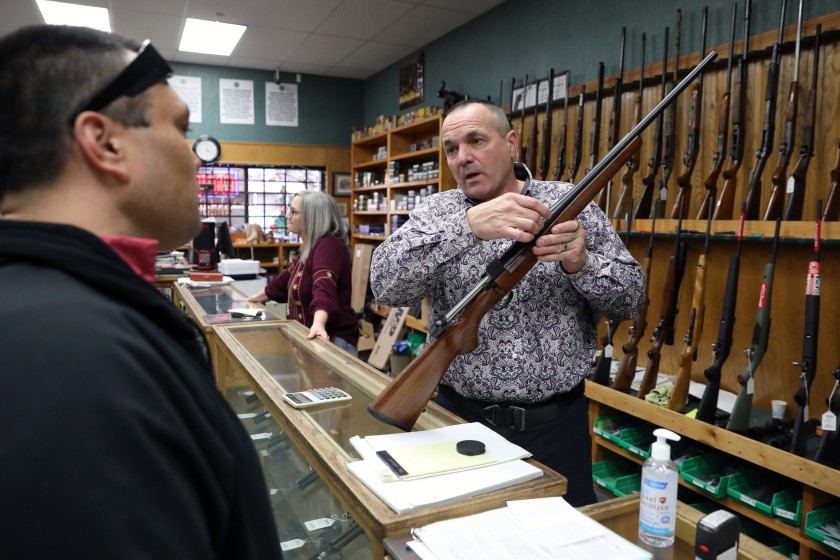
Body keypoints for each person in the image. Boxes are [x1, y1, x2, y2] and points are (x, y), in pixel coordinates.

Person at [0, 25, 282, 558]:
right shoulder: (68, 357)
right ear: (105, 142)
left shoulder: (62, 316)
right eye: (179, 129)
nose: (197, 158)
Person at [370, 99, 645, 507]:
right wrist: (464, 229)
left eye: (476, 141)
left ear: (511, 143)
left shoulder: (568, 203)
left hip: (555, 429)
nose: (462, 158)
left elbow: (632, 300)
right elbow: (385, 287)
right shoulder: (438, 210)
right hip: (456, 424)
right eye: (451, 148)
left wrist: (582, 264)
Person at [249, 191, 359, 356]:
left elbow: (324, 284)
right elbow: (286, 279)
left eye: (293, 212)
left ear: (312, 217)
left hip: (331, 341)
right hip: (314, 340)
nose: (287, 215)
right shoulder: (310, 246)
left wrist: (319, 323)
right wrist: (256, 298)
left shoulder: (328, 246)